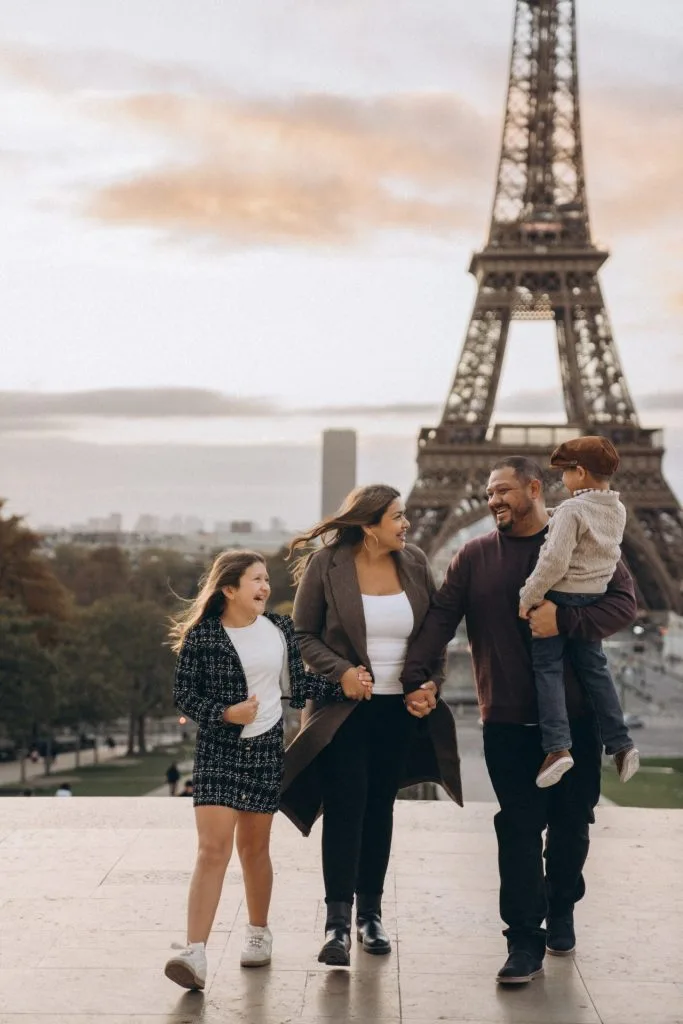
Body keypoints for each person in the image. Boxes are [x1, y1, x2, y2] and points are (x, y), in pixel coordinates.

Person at [401, 456, 637, 986]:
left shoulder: (583, 536)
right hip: (505, 719)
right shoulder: (474, 555)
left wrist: (568, 618)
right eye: (488, 493)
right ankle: (523, 939)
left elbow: (627, 604)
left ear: (535, 488)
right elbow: (441, 618)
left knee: (573, 827)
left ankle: (563, 909)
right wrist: (420, 676)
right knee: (519, 828)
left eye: (503, 490)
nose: (493, 501)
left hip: (576, 721)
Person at [281, 484, 462, 967]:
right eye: (398, 517)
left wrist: (431, 686)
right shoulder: (327, 566)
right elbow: (302, 634)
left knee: (380, 808)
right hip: (345, 709)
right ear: (368, 525)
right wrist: (341, 671)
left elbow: (433, 636)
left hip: (396, 711)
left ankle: (371, 915)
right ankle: (337, 923)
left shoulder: (415, 563)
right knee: (346, 808)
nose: (406, 524)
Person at [164, 549, 341, 991]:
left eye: (266, 579)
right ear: (229, 589)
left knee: (254, 849)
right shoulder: (203, 637)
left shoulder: (279, 629)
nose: (265, 587)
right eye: (256, 580)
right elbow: (184, 695)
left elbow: (296, 686)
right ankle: (195, 953)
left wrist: (346, 686)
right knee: (211, 850)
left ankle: (258, 932)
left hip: (264, 750)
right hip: (218, 752)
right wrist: (226, 713)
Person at [518, 436, 639, 788]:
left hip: (562, 597)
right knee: (596, 671)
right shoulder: (615, 508)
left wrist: (529, 595)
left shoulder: (572, 510)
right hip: (593, 597)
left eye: (565, 473)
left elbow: (554, 561)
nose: (562, 480)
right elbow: (589, 531)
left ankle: (557, 748)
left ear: (580, 473)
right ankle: (620, 742)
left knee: (547, 669)